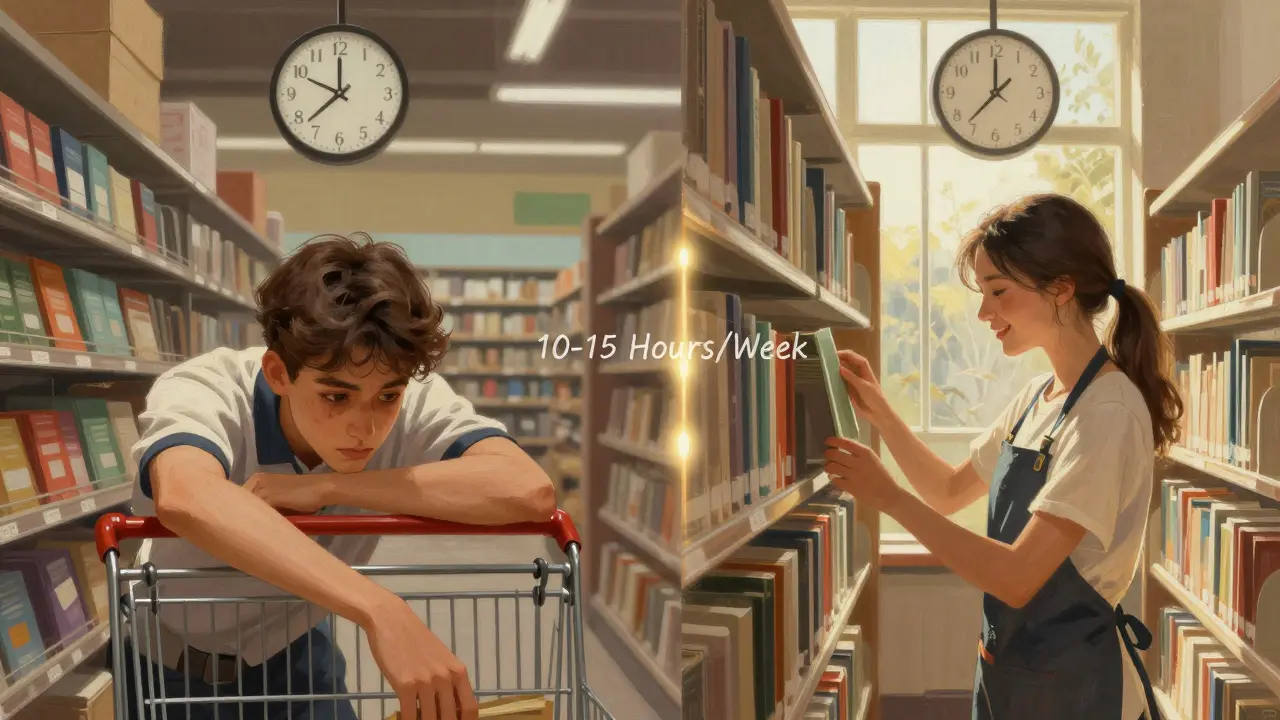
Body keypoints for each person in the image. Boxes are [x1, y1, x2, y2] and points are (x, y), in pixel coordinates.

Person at [118, 233, 558, 720]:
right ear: (279, 374)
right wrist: (381, 610)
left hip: (298, 647)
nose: (365, 428)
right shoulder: (206, 386)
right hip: (167, 665)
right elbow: (186, 494)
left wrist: (327, 485)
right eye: (335, 397)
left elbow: (527, 489)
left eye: (387, 397)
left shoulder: (413, 396)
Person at [823, 194, 1180, 720]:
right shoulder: (1039, 398)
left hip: (1073, 691)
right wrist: (880, 413)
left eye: (998, 291)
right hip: (1010, 671)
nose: (984, 311)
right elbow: (947, 492)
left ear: (1061, 289)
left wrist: (889, 499)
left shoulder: (1108, 412)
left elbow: (1017, 577)